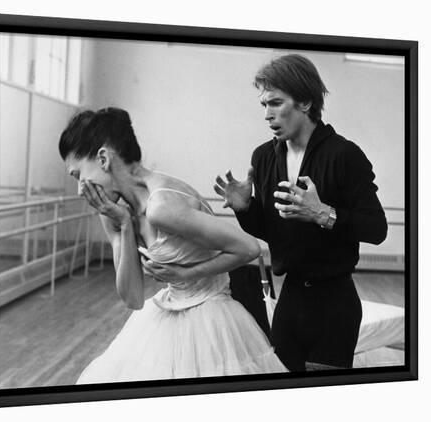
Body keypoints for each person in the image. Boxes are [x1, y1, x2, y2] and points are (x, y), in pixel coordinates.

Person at [58, 107, 287, 383]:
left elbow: (249, 248)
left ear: (104, 158)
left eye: (77, 175)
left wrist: (183, 274)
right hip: (167, 311)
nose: (80, 188)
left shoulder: (162, 206)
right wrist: (125, 225)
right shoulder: (114, 212)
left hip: (211, 314)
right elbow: (131, 297)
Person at [214, 54, 388, 372]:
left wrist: (323, 213)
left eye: (276, 103)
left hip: (334, 302)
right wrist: (246, 209)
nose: (267, 115)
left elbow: (377, 229)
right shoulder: (264, 157)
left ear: (306, 102)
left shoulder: (344, 155)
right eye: (264, 105)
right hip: (290, 299)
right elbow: (273, 230)